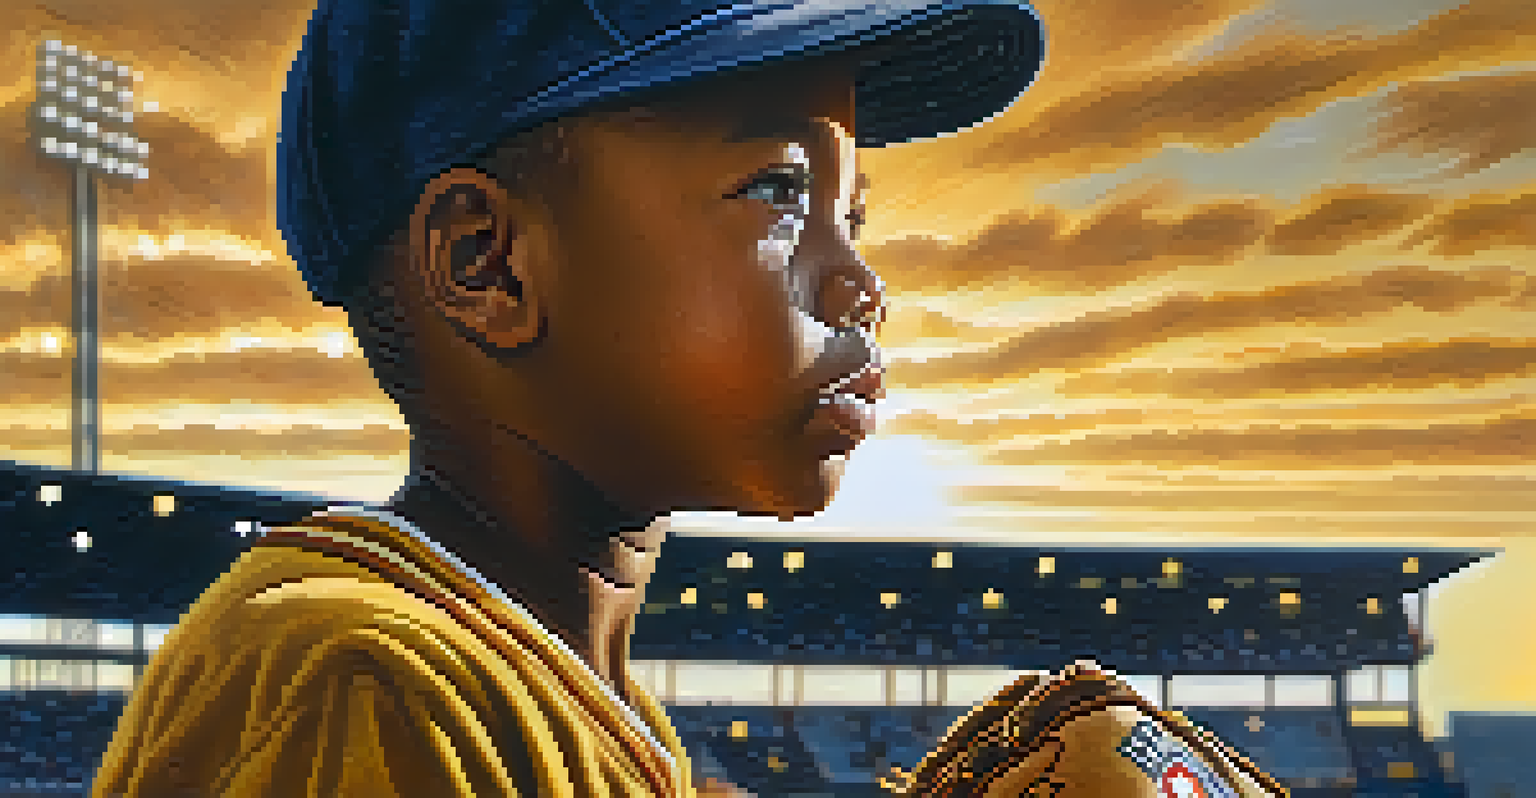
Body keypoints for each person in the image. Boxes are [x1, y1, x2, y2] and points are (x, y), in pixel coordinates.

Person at [90, 1, 1282, 796]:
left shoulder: (564, 687)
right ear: (486, 265)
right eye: (776, 191)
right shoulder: (355, 676)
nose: (863, 283)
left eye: (852, 217)